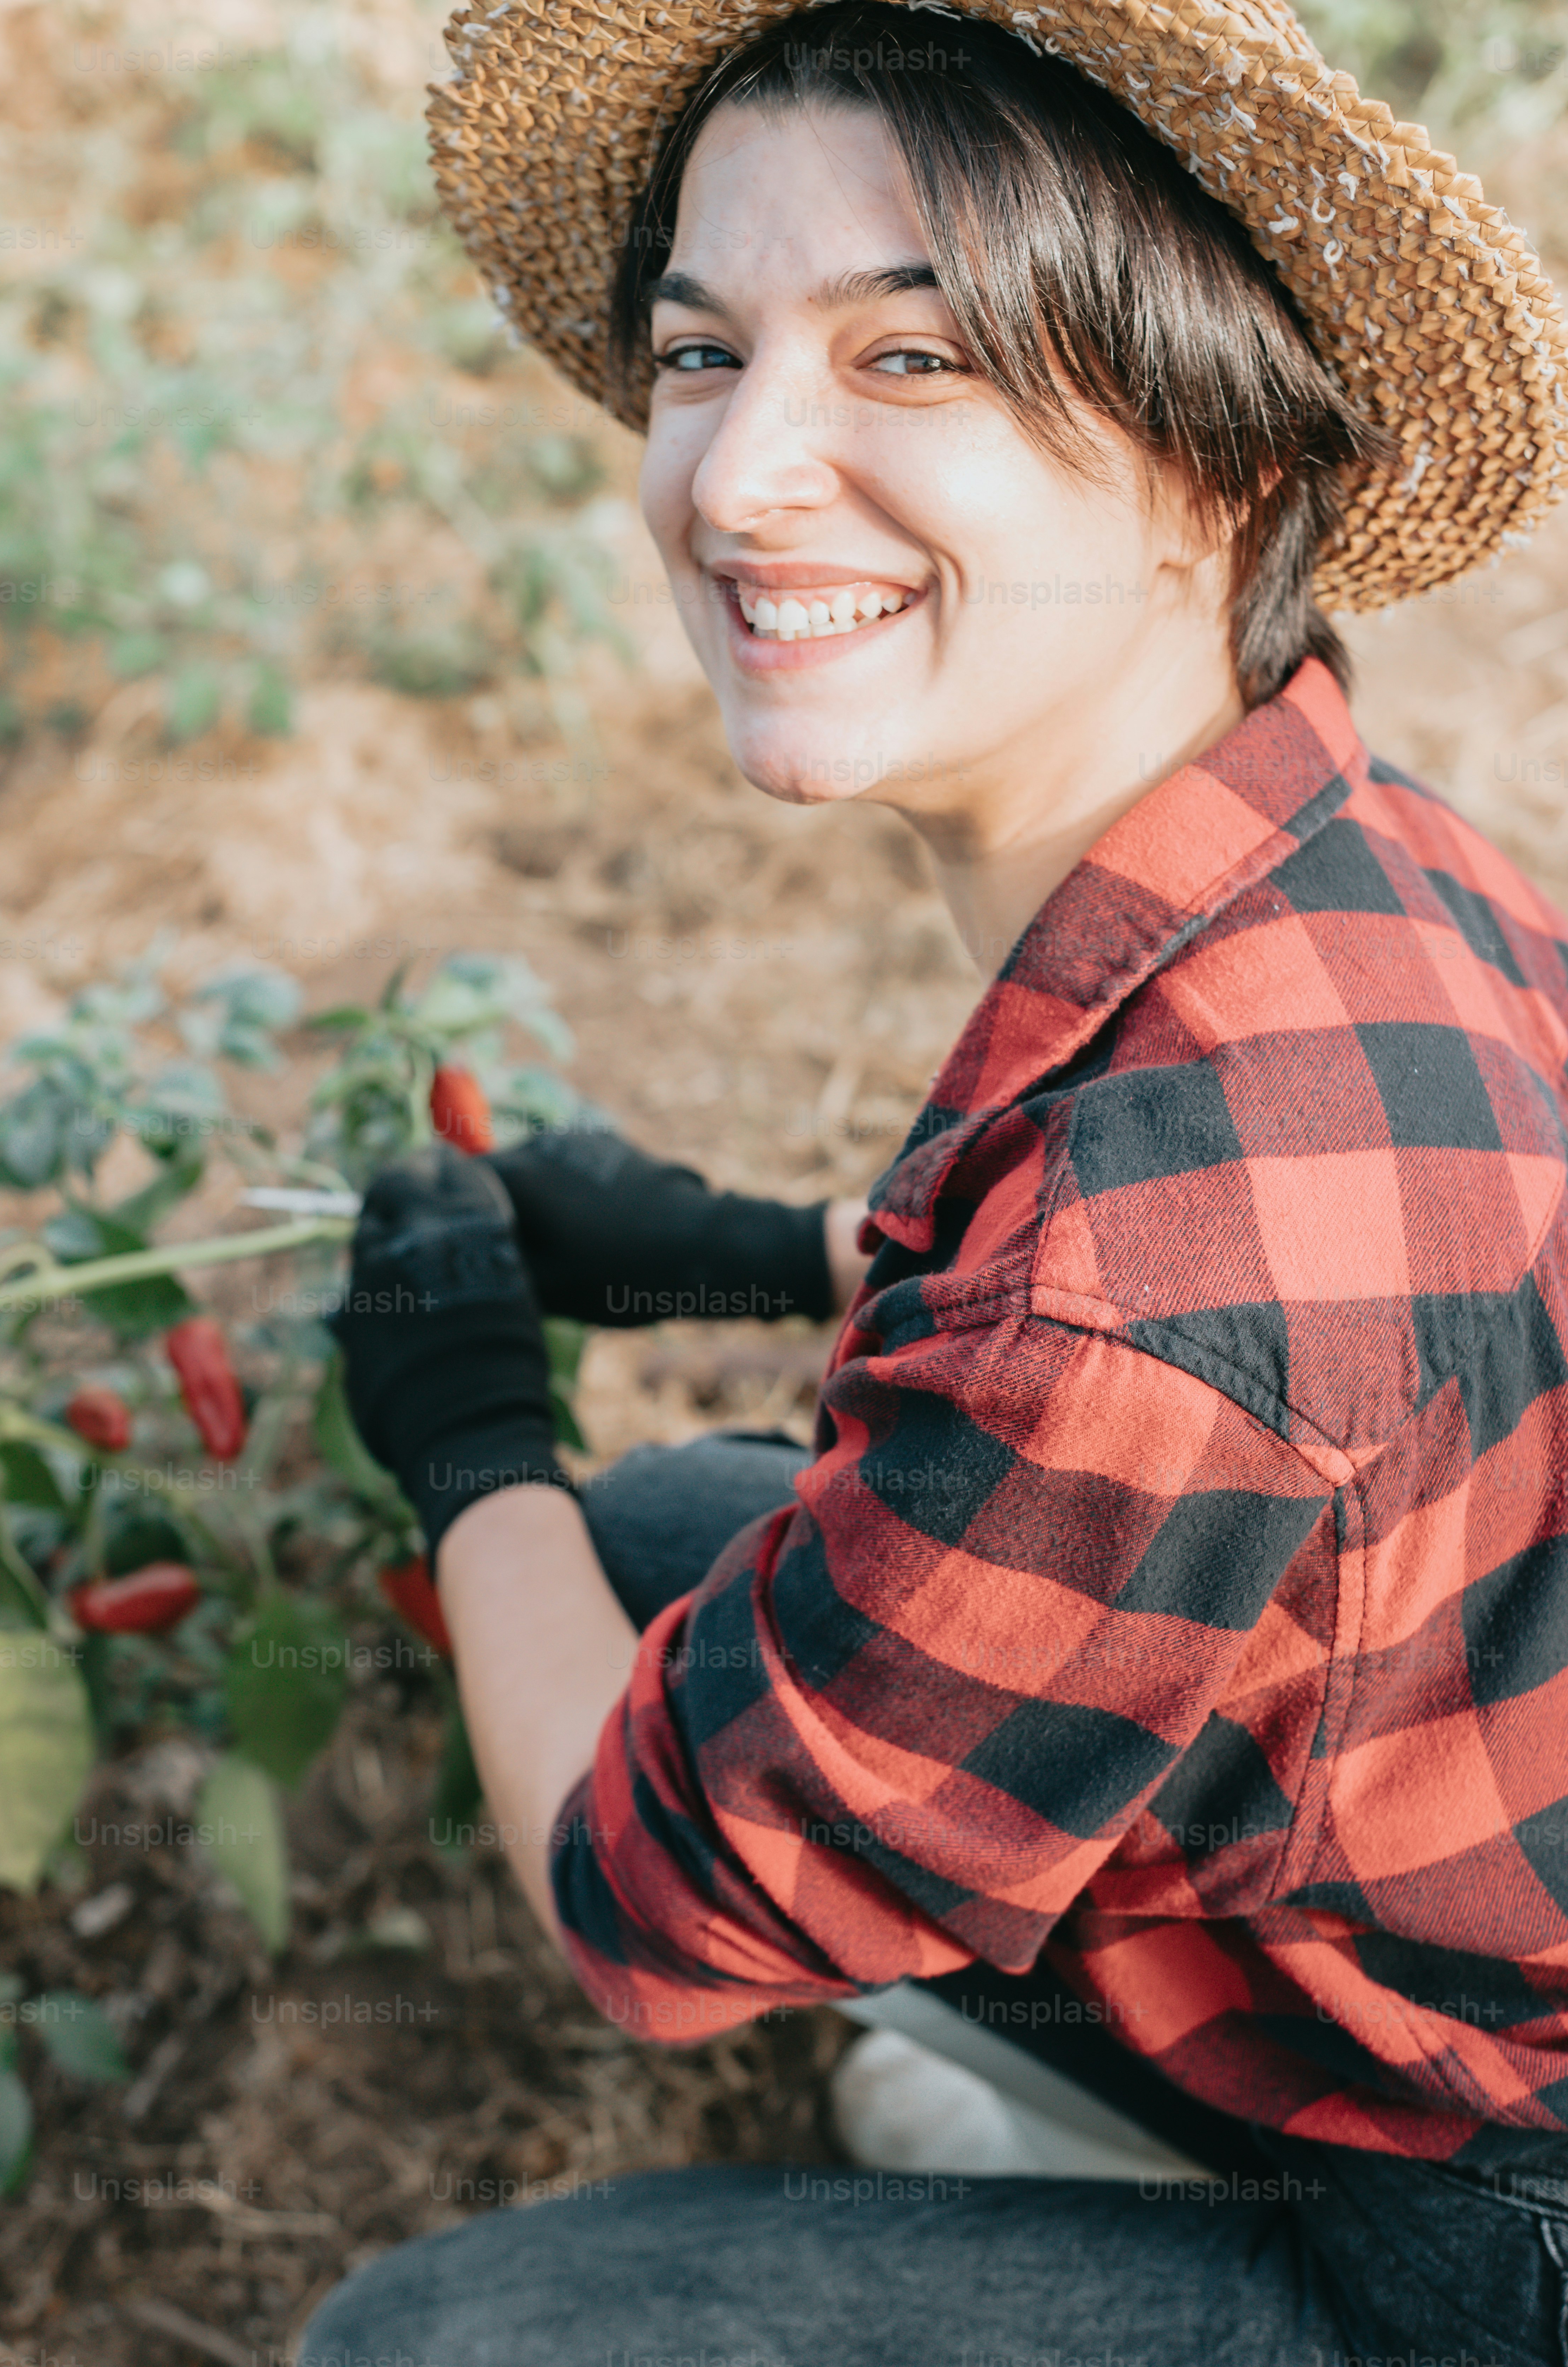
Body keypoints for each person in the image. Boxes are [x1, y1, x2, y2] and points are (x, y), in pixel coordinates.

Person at [300, 2, 1568, 2360]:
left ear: (1213, 452)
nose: (739, 479)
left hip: (1501, 2235)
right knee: (684, 1540)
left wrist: (465, 1431)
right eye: (702, 352)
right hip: (1456, 1891)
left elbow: (641, 1915)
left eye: (916, 359)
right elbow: (1321, 1405)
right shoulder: (1360, 854)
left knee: (442, 2347)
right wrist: (740, 1255)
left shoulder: (1154, 1263)